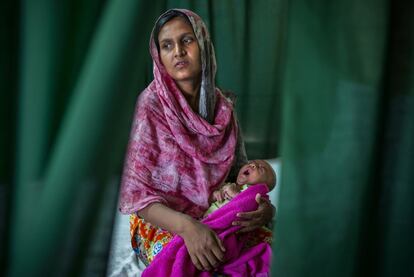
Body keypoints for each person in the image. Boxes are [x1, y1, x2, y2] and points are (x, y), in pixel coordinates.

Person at [119, 8, 275, 272]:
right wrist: (189, 228)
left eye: (187, 40)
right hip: (164, 220)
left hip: (216, 209)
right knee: (189, 262)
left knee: (271, 251)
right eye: (167, 45)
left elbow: (241, 174)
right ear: (159, 56)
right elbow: (137, 197)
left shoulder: (223, 109)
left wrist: (265, 211)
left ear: (203, 44)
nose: (178, 51)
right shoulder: (151, 107)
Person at [204, 159, 276, 217]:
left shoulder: (255, 198)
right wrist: (215, 195)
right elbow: (205, 201)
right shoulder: (227, 185)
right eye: (250, 162)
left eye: (261, 169)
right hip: (205, 222)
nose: (253, 165)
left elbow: (248, 206)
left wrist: (236, 195)